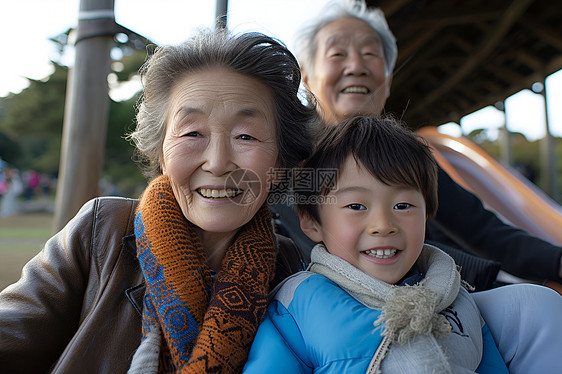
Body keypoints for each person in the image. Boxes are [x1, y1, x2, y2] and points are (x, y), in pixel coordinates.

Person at [267, 0, 562, 372]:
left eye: (371, 54)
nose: (356, 65)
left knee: (539, 306)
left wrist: (557, 260)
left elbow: (485, 230)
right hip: (335, 321)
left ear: (388, 80)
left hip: (448, 300)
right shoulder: (286, 167)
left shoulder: (413, 160)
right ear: (307, 76)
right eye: (338, 53)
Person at [0, 30, 319, 373]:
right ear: (161, 151)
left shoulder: (294, 271)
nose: (217, 161)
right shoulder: (100, 231)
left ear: (280, 161)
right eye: (192, 133)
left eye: (246, 136)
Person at [245, 116, 508, 373]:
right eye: (356, 206)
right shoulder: (298, 304)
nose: (383, 224)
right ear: (312, 221)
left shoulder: (457, 300)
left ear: (426, 215)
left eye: (403, 206)